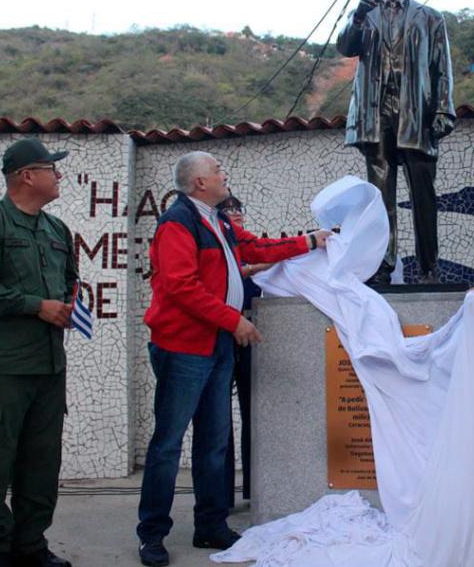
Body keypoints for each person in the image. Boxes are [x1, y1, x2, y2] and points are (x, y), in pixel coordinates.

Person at [136, 152, 331, 567]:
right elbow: (180, 287)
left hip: (216, 346)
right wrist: (233, 320)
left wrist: (310, 241)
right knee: (168, 445)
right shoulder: (178, 223)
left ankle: (210, 524)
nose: (225, 176)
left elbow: (255, 247)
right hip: (184, 348)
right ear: (200, 182)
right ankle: (152, 534)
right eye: (218, 171)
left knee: (214, 443)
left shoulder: (218, 221)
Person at [0, 138, 78, 567]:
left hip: (48, 365)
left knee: (42, 464)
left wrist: (67, 306)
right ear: (26, 176)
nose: (58, 175)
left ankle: (30, 545)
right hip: (3, 367)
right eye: (51, 168)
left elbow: (69, 282)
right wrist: (35, 306)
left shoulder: (56, 230)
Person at [336, 0, 455, 285]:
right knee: (380, 198)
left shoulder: (430, 17)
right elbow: (345, 47)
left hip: (417, 114)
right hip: (376, 115)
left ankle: (429, 268)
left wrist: (443, 109)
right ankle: (383, 267)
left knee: (423, 195)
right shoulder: (364, 15)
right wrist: (357, 17)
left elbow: (442, 68)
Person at [217, 194, 266, 505]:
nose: (235, 215)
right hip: (221, 334)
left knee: (254, 412)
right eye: (228, 211)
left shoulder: (249, 246)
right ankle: (221, 495)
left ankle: (254, 488)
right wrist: (253, 269)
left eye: (238, 210)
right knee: (219, 418)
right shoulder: (216, 246)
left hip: (249, 335)